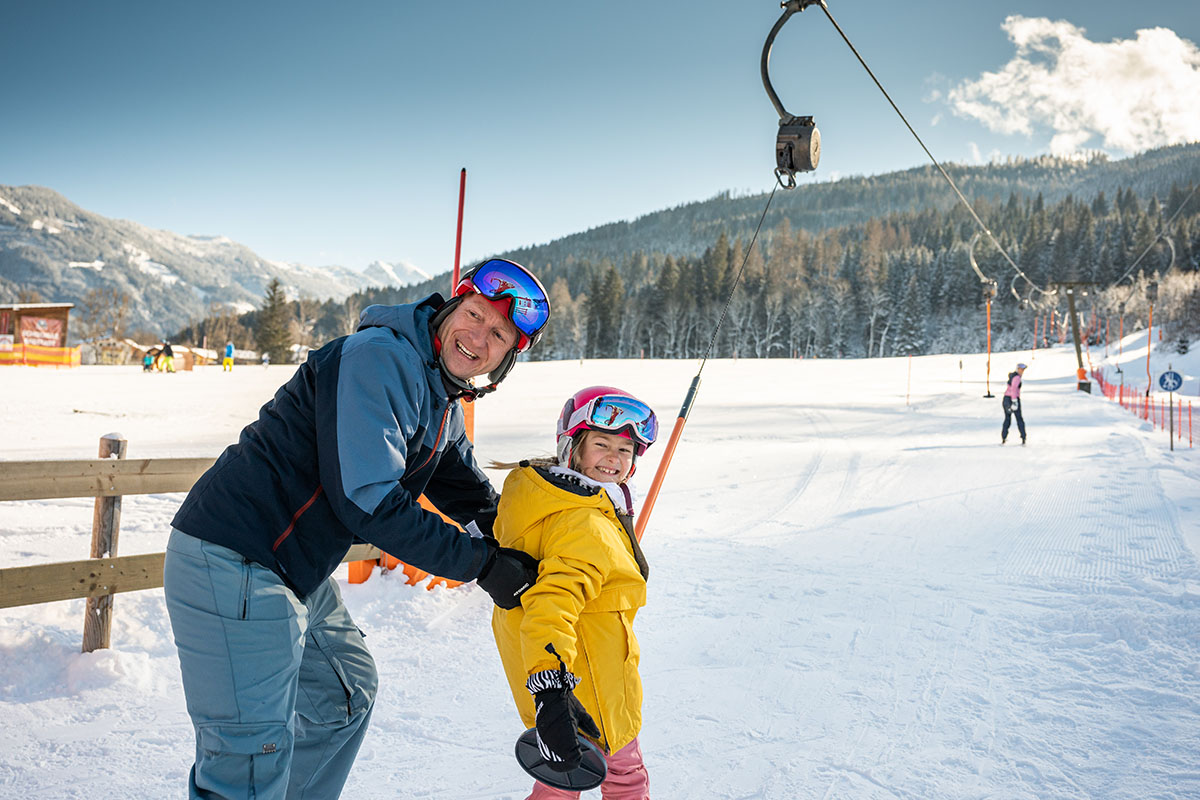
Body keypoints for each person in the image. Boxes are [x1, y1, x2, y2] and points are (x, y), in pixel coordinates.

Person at [163, 258, 551, 799]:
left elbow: (466, 489)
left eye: (499, 334)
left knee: (343, 697)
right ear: (451, 306)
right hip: (236, 555)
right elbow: (367, 501)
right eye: (475, 313)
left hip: (293, 567)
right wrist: (483, 566)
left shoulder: (441, 393)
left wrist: (534, 541)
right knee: (249, 760)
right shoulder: (382, 358)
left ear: (507, 357)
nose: (478, 337)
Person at [492, 385, 659, 800]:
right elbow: (552, 607)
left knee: (558, 783)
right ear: (572, 447)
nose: (614, 459)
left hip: (575, 685)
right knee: (625, 780)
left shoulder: (544, 498)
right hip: (591, 693)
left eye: (625, 449)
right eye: (601, 444)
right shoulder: (584, 522)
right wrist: (551, 691)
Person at [1002, 362, 1027, 445]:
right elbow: (1014, 389)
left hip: (1006, 399)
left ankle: (1004, 437)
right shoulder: (1016, 377)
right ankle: (1023, 437)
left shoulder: (1013, 376)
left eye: (1023, 370)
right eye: (1021, 369)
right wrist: (1014, 401)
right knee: (1019, 418)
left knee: (1007, 418)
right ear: (1017, 369)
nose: (1022, 371)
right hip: (1012, 399)